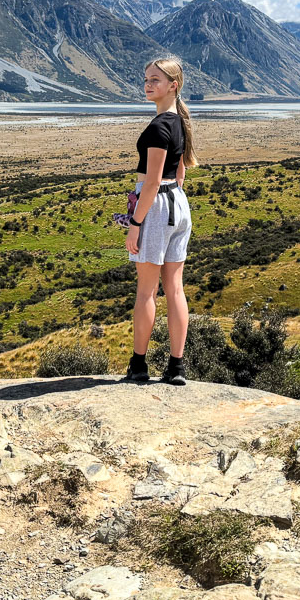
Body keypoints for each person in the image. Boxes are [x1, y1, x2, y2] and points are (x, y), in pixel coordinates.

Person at [125, 57, 197, 385]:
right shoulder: (180, 122)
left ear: (173, 85)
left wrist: (135, 223)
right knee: (176, 289)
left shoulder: (157, 127)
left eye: (155, 79)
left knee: (146, 291)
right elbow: (179, 172)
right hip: (178, 204)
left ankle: (139, 366)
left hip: (156, 206)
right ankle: (176, 367)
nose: (148, 84)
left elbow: (153, 181)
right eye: (146, 79)